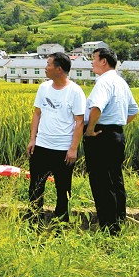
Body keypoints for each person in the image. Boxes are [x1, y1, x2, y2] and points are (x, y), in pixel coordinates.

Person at [83, 47, 139, 235]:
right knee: (115, 179)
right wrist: (118, 124)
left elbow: (96, 107)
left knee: (101, 182)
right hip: (116, 135)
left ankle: (109, 228)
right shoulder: (121, 82)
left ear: (104, 61)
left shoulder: (103, 82)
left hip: (101, 135)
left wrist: (90, 130)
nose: (92, 63)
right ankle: (119, 222)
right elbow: (133, 111)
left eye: (94, 59)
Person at [26, 52, 86, 224]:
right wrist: (33, 140)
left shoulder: (75, 91)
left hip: (63, 150)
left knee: (63, 190)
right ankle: (33, 222)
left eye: (48, 64)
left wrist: (73, 148)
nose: (45, 67)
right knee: (35, 187)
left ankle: (61, 224)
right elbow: (37, 114)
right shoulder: (43, 88)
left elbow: (79, 122)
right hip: (42, 146)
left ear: (59, 69)